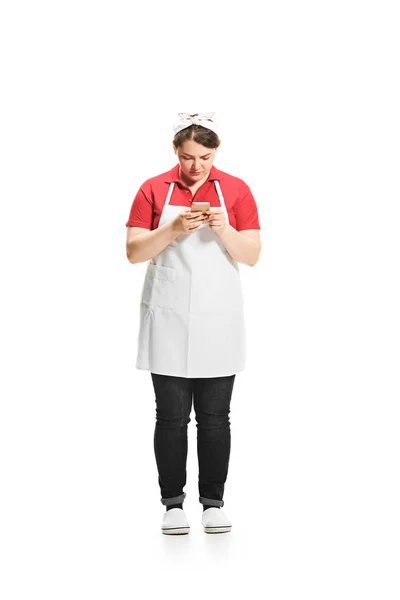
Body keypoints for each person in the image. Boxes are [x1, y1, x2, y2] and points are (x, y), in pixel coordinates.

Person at [125, 112, 261, 535]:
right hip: (168, 317)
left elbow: (252, 254)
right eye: (188, 157)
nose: (196, 166)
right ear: (176, 153)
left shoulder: (236, 190)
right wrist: (173, 227)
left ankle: (213, 503)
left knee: (216, 417)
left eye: (204, 157)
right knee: (169, 417)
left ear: (215, 152)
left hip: (218, 318)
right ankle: (172, 505)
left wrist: (223, 230)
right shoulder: (153, 189)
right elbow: (133, 251)